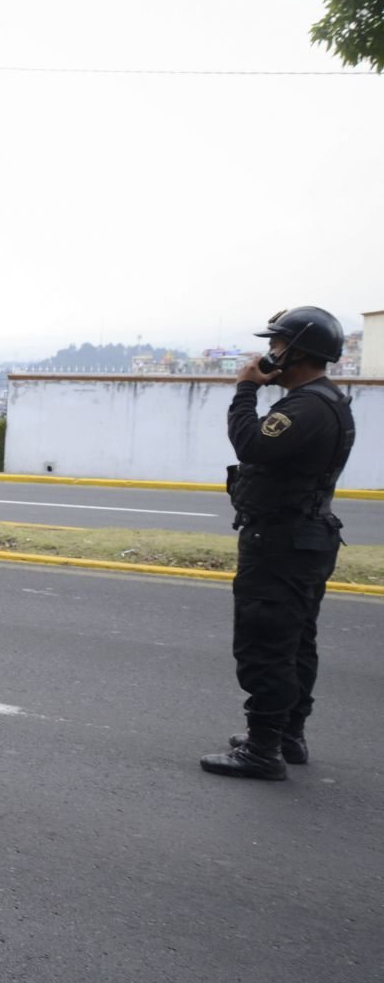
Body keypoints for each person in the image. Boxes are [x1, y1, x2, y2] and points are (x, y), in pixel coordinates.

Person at [200, 307, 354, 780]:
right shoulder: (326, 400)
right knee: (294, 640)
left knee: (265, 640)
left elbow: (252, 445)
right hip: (302, 538)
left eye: (280, 345)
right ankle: (287, 735)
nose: (273, 352)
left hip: (282, 543)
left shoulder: (306, 406)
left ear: (301, 351)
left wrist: (246, 389)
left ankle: (263, 750)